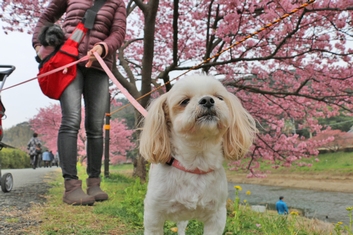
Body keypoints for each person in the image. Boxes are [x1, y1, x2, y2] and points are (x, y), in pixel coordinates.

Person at [32, 0, 126, 206]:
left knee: (95, 127)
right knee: (71, 120)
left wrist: (103, 48)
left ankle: (94, 183)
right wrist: (39, 46)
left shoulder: (117, 2)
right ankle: (71, 187)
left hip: (100, 66)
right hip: (68, 61)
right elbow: (46, 17)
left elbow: (118, 33)